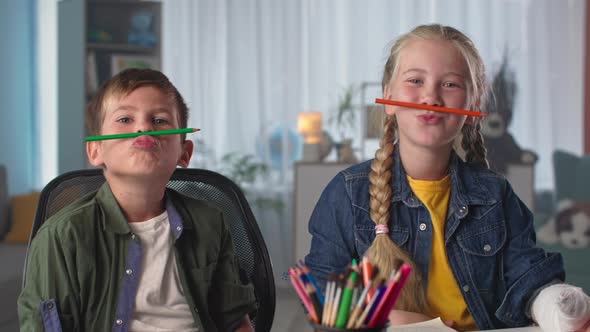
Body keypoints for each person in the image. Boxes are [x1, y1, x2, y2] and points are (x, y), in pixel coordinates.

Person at [305, 24, 590, 332]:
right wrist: (388, 321)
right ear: (388, 96)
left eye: (451, 84)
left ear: (472, 105)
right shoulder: (347, 194)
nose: (430, 97)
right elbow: (323, 299)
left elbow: (526, 275)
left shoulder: (496, 194)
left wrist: (552, 303)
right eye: (415, 80)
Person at [18, 69, 256, 332]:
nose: (143, 128)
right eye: (124, 119)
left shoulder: (209, 221)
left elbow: (235, 319)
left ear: (184, 153)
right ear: (96, 151)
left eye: (160, 120)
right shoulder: (62, 235)